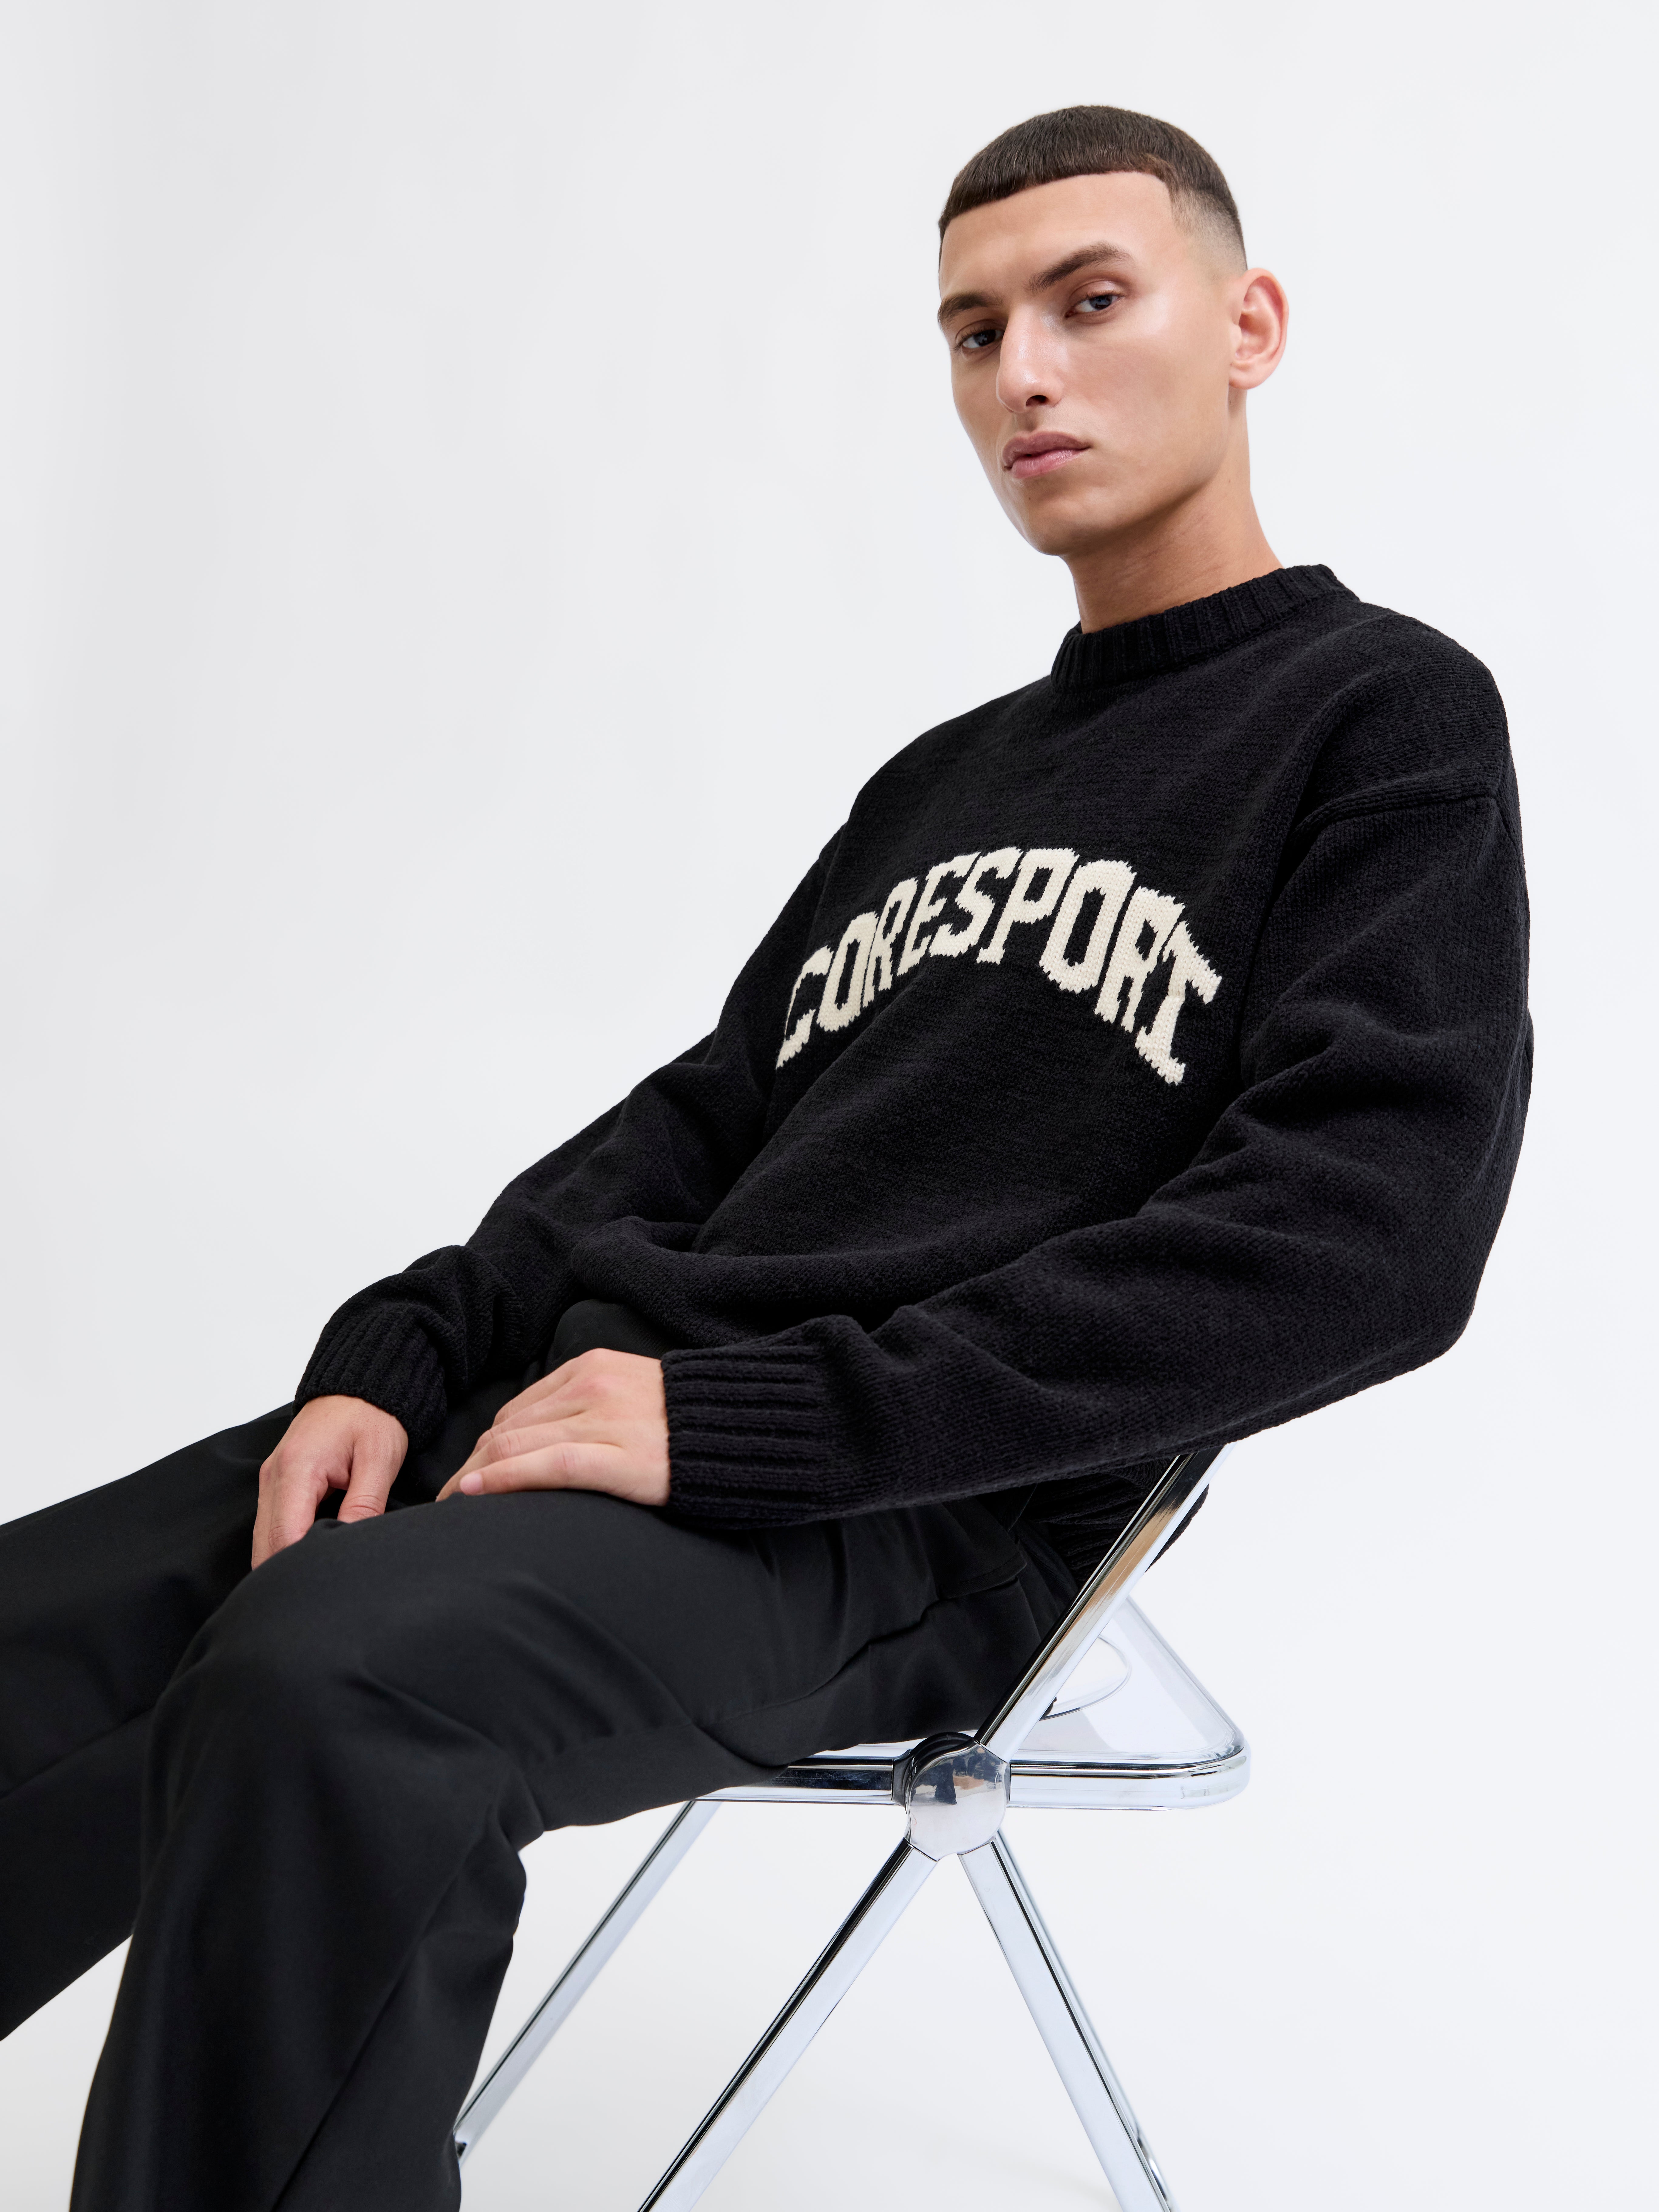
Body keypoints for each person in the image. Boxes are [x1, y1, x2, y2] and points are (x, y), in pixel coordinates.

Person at [0, 104, 1531, 2212]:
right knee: (40, 1632)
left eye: (1089, 302)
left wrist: (748, 1424)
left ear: (1247, 323)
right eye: (973, 330)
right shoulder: (942, 781)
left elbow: (1363, 1241)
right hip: (616, 1425)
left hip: (921, 1510)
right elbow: (693, 1128)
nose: (1024, 374)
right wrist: (400, 1355)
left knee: (333, 1679)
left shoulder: (1381, 718)